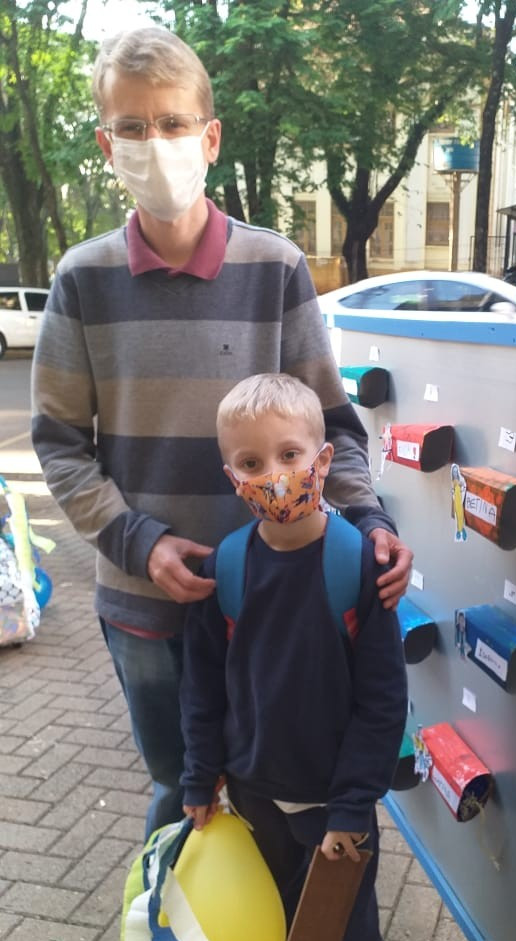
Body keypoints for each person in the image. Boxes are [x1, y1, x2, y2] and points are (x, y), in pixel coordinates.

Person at [30, 27, 412, 839]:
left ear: (209, 138)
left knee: (288, 789)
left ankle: (287, 922)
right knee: (183, 793)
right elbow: (60, 443)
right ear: (106, 144)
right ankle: (183, 921)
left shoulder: (275, 267)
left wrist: (370, 521)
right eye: (132, 127)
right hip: (145, 603)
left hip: (282, 600)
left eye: (172, 122)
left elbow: (333, 429)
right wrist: (139, 544)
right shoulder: (81, 279)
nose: (153, 142)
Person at [180, 373, 407, 941]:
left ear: (323, 459)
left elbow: (382, 702)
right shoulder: (226, 567)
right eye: (252, 463)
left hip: (335, 800)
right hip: (254, 791)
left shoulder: (359, 567)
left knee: (350, 934)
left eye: (289, 454)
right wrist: (200, 774)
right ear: (232, 477)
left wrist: (353, 805)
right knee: (276, 914)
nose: (274, 476)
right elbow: (203, 686)